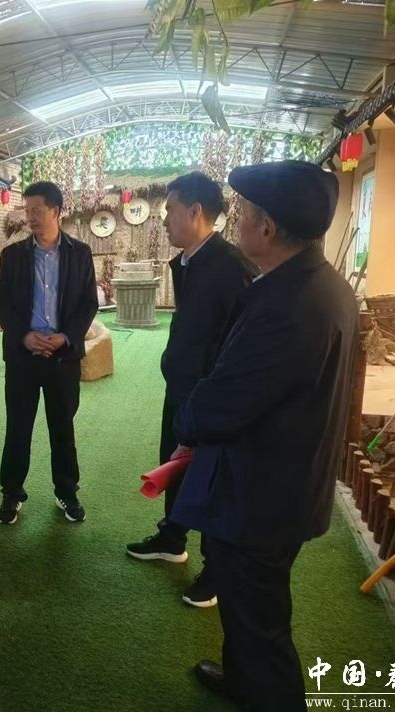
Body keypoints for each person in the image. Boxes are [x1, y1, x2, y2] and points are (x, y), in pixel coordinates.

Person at [171, 161, 359, 710]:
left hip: (263, 496)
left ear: (268, 228)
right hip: (282, 482)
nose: (236, 222)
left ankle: (267, 692)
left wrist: (188, 417)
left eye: (244, 213)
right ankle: (242, 680)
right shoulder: (317, 285)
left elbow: (224, 402)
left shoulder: (288, 306)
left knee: (261, 623)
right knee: (243, 604)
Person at [125, 172, 255, 609]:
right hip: (182, 389)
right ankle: (172, 538)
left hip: (212, 397)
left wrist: (211, 397)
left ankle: (216, 572)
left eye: (171, 211)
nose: (164, 221)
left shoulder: (231, 267)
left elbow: (236, 344)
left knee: (210, 477)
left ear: (196, 212)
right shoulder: (189, 262)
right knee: (175, 461)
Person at [0, 181, 98, 525]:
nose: (31, 217)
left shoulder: (80, 254)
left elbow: (88, 304)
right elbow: (1, 302)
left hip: (62, 357)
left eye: (37, 210)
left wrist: (66, 337)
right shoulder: (13, 256)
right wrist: (23, 336)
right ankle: (12, 493)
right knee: (18, 427)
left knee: (62, 428)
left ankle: (67, 491)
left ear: (57, 211)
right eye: (27, 211)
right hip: (23, 357)